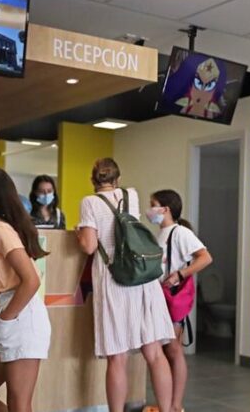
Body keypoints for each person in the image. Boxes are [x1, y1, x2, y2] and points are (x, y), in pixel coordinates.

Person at [75, 158, 175, 412]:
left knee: (117, 358)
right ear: (117, 179)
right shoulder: (131, 195)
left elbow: (88, 245)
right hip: (143, 280)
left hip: (114, 282)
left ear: (93, 179)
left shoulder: (90, 202)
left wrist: (80, 231)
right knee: (154, 354)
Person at [0, 167, 51, 412]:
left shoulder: (2, 231)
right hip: (9, 315)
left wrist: (7, 318)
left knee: (19, 402)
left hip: (20, 318)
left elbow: (31, 281)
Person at [147, 190, 213, 412]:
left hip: (172, 299)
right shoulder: (161, 235)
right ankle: (169, 403)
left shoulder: (180, 233)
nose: (150, 210)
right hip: (160, 299)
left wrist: (181, 274)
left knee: (173, 350)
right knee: (167, 351)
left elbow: (205, 257)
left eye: (153, 205)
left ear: (165, 209)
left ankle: (175, 405)